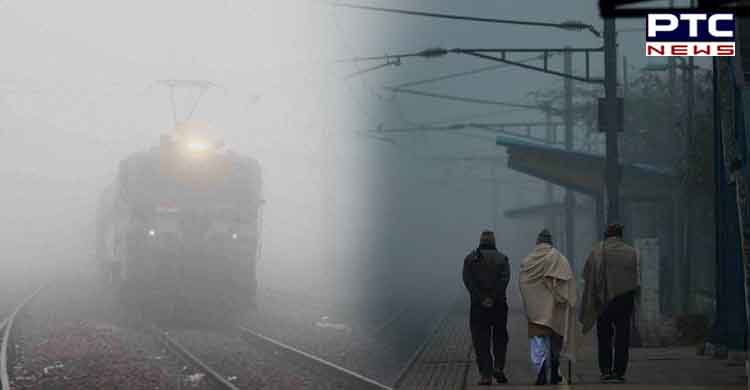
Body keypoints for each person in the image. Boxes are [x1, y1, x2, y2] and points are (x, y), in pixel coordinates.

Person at [580, 223, 639, 384]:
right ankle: (619, 372)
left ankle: (605, 370)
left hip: (604, 299)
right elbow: (636, 279)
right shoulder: (632, 252)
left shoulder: (597, 251)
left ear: (607, 235)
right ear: (620, 235)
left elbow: (587, 274)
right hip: (625, 299)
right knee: (622, 336)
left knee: (604, 335)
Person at [519, 229, 578, 385]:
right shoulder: (559, 258)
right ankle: (554, 367)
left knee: (538, 340)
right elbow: (568, 282)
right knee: (555, 339)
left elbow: (523, 284)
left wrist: (530, 301)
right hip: (555, 309)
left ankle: (541, 369)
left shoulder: (528, 260)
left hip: (535, 310)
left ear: (538, 242)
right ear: (550, 242)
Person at [462, 230, 511, 386]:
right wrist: (493, 297)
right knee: (500, 338)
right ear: (494, 242)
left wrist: (481, 298)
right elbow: (505, 280)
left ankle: (485, 375)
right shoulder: (502, 259)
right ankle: (498, 367)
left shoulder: (470, 259)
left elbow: (468, 281)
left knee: (480, 340)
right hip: (499, 305)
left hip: (478, 307)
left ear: (481, 241)